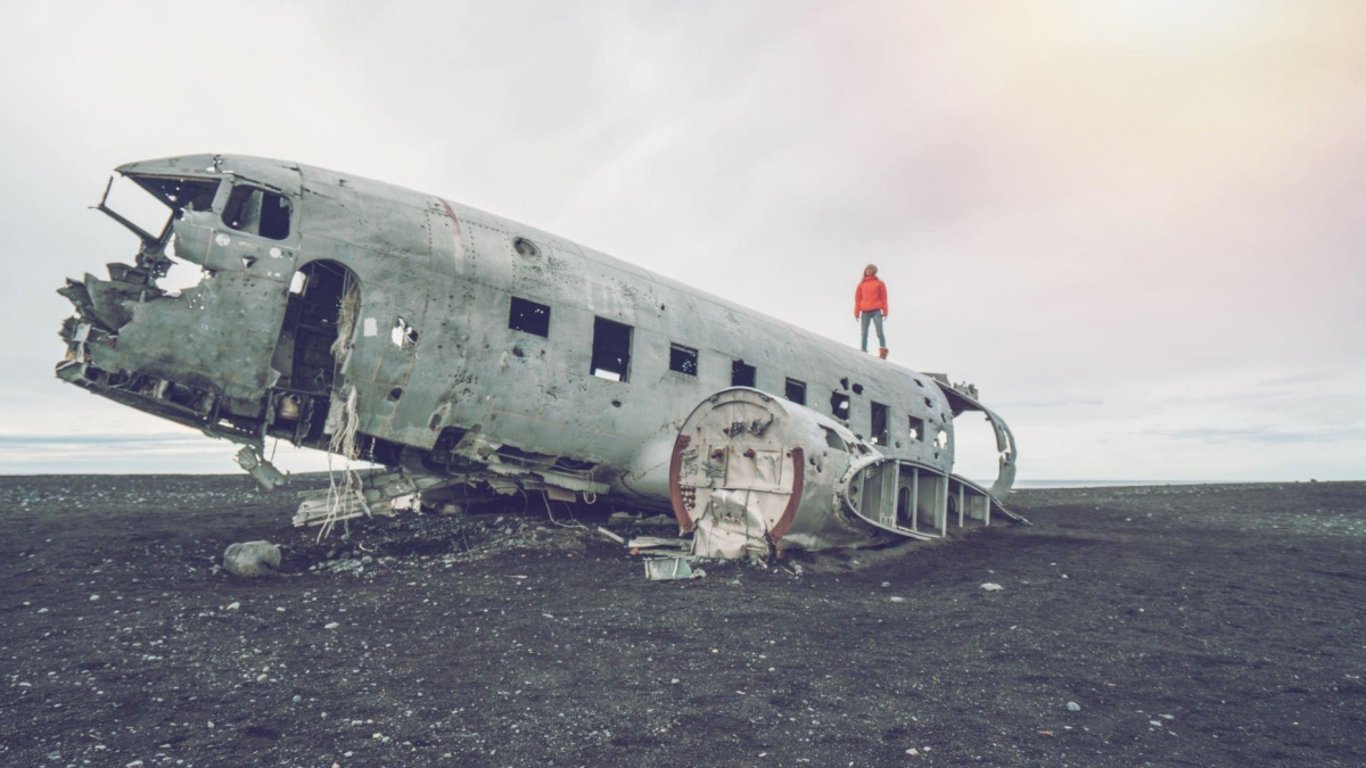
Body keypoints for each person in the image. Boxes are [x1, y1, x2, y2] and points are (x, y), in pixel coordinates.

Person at [854, 264, 889, 358]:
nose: (868, 270)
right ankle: (863, 350)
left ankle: (883, 352)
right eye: (867, 269)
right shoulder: (861, 285)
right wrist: (856, 312)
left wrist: (885, 311)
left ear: (874, 271)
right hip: (865, 312)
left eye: (871, 269)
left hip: (876, 311)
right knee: (864, 333)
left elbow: (884, 298)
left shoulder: (879, 283)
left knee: (879, 332)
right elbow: (858, 299)